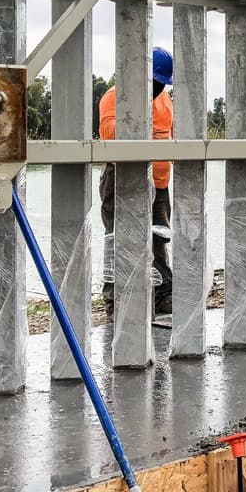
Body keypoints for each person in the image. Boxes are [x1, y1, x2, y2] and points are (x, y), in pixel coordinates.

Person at [99, 47, 174, 316]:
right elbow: (109, 133)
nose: (158, 88)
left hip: (160, 183)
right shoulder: (115, 96)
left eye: (162, 84)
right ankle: (115, 300)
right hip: (122, 180)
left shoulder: (165, 100)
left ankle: (162, 294)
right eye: (155, 82)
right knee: (117, 237)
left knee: (158, 237)